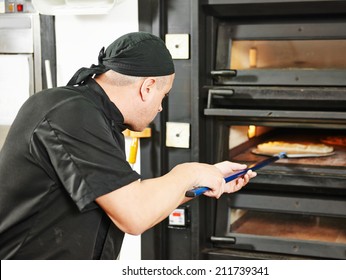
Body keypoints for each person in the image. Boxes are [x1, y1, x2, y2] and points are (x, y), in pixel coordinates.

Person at [0, 32, 256, 260]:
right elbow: (135, 214)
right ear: (147, 87)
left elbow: (131, 201)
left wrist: (205, 177)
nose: (160, 107)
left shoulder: (100, 120)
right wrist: (189, 172)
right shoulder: (69, 111)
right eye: (163, 96)